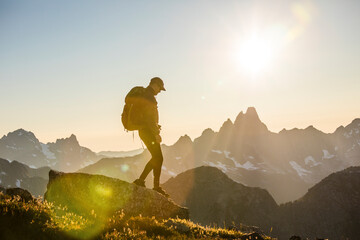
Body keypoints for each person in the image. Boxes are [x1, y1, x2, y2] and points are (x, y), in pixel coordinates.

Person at [131, 77, 169, 197]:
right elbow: (149, 119)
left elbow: (148, 118)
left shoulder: (145, 95)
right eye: (160, 89)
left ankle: (142, 181)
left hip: (145, 131)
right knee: (158, 157)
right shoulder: (149, 97)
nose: (159, 92)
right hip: (148, 132)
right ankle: (153, 186)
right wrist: (156, 133)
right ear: (155, 85)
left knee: (157, 157)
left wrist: (156, 127)